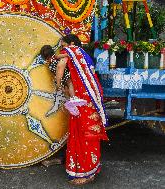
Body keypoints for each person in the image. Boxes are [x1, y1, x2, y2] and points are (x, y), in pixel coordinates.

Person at [56, 34, 109, 185]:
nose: (63, 48)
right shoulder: (85, 55)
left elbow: (60, 65)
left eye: (63, 45)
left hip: (81, 101)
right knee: (91, 133)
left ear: (72, 44)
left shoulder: (72, 51)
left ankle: (85, 173)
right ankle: (92, 169)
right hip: (91, 99)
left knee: (81, 134)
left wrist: (58, 84)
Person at [40, 45, 86, 115]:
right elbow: (66, 56)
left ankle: (71, 105)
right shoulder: (56, 57)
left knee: (65, 90)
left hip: (59, 78)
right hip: (65, 74)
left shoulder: (49, 63)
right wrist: (68, 54)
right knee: (70, 84)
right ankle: (74, 98)